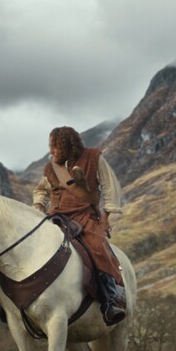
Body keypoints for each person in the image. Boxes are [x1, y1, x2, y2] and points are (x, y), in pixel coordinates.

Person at [32, 126, 126, 324]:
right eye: (50, 147)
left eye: (55, 147)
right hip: (55, 217)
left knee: (98, 247)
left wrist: (105, 218)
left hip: (84, 216)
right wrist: (39, 204)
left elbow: (110, 187)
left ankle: (110, 301)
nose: (51, 151)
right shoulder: (51, 168)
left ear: (67, 145)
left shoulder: (93, 158)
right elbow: (42, 189)